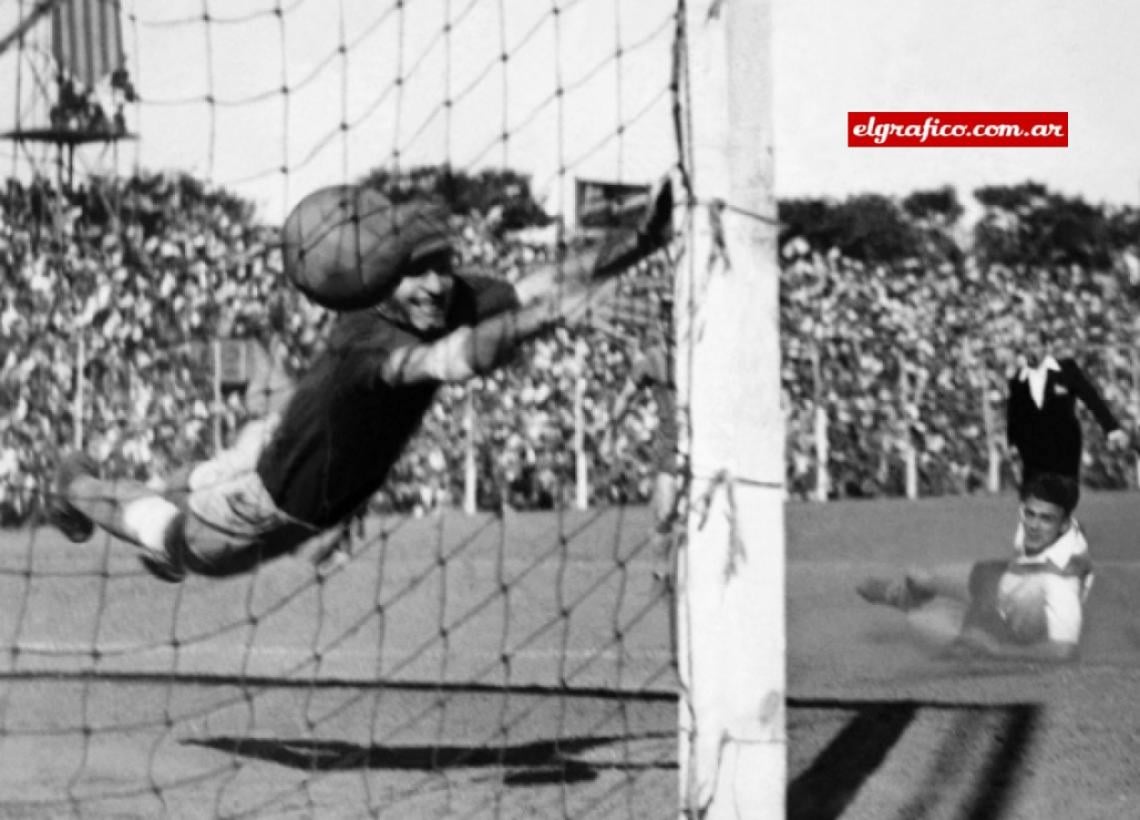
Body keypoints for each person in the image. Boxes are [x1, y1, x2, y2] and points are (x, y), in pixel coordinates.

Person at [45, 179, 674, 581]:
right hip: (270, 498)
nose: (433, 284)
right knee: (183, 543)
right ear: (377, 275)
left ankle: (137, 495)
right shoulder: (366, 339)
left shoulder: (453, 297)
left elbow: (546, 280)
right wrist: (555, 314)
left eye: (442, 268)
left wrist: (641, 239)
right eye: (414, 274)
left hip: (285, 449)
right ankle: (76, 486)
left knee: (188, 492)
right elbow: (452, 361)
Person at [856, 472, 1091, 662]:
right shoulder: (1042, 539)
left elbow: (1065, 652)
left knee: (922, 625)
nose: (1034, 524)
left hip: (1002, 623)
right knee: (920, 578)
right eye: (1031, 515)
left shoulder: (1060, 587)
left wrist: (998, 651)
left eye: (1045, 518)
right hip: (997, 579)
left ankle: (909, 610)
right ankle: (899, 594)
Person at [603, 303, 680, 587]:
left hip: (703, 443)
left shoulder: (704, 355)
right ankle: (661, 572)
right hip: (670, 443)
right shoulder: (652, 360)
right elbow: (625, 396)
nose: (671, 325)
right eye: (667, 320)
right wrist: (610, 431)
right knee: (665, 511)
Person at [1006, 328, 1129, 486]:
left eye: (1034, 345)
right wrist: (1012, 443)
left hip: (1064, 445)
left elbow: (1091, 398)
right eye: (1027, 346)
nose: (1030, 350)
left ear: (1047, 346)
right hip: (1033, 448)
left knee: (1059, 495)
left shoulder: (1066, 370)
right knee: (1036, 498)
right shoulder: (1018, 379)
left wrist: (1112, 428)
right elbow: (1014, 415)